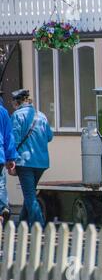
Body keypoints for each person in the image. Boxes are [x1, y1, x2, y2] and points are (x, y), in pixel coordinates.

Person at [10, 89, 53, 227]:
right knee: (30, 194)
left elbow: (14, 141)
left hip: (25, 162)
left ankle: (39, 227)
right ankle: (21, 224)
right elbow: (49, 137)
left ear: (17, 102)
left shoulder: (17, 115)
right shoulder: (41, 116)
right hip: (41, 162)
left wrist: (10, 160)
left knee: (29, 196)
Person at [0, 90, 17, 225]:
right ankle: (2, 207)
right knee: (0, 183)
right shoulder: (3, 112)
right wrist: (10, 158)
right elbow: (8, 137)